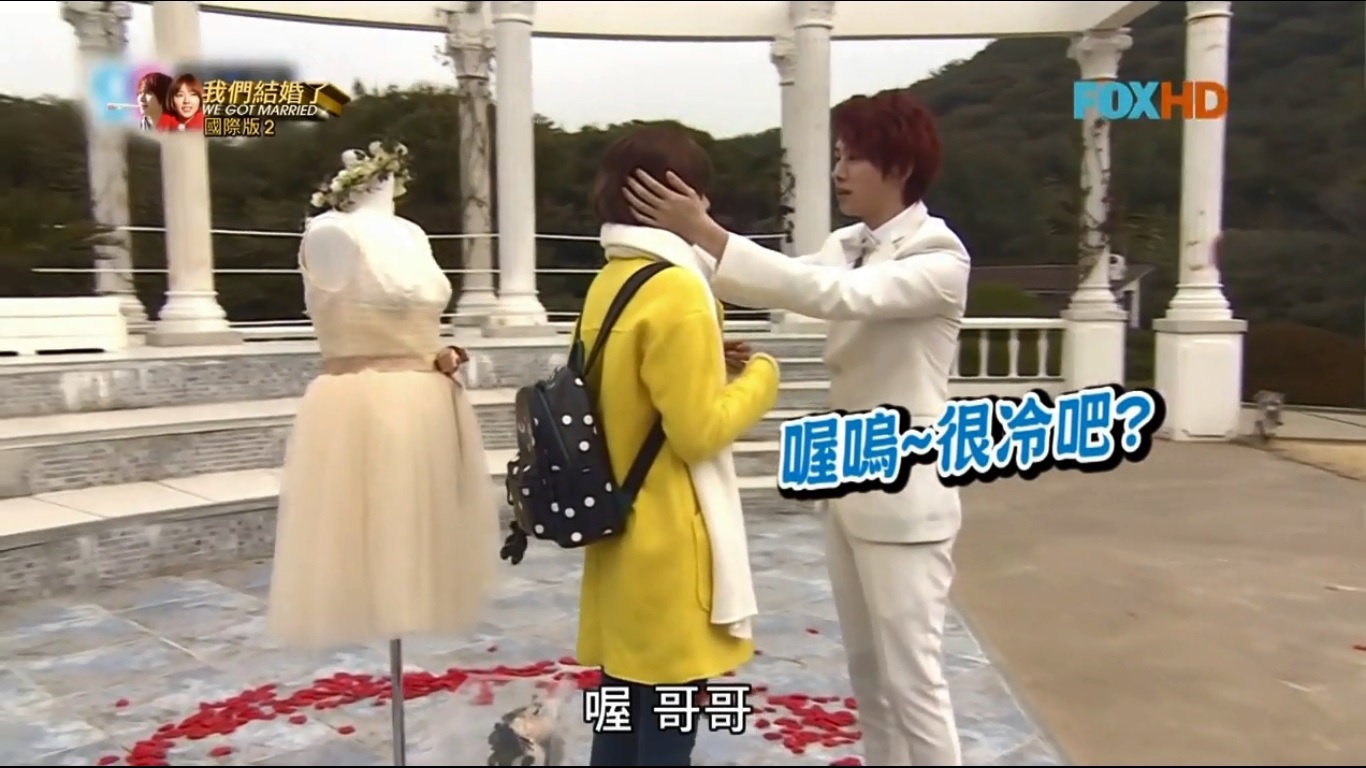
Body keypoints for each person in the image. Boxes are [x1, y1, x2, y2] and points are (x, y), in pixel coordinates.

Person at [623, 89, 969, 766]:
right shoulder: (848, 245)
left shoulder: (939, 256)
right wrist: (677, 240)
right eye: (837, 155)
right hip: (849, 476)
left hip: (906, 487)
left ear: (899, 166)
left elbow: (830, 296)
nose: (839, 171)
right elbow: (769, 280)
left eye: (853, 157)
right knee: (870, 675)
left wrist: (706, 231)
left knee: (913, 680)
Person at [576, 125, 781, 766]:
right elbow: (697, 433)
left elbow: (628, 391)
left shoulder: (613, 279)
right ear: (678, 196)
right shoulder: (681, 290)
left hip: (618, 533)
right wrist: (762, 378)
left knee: (618, 717)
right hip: (669, 541)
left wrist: (705, 357)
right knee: (667, 731)